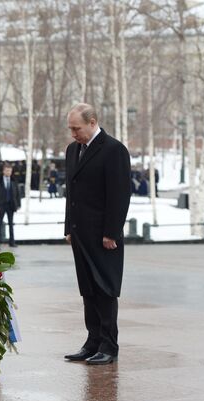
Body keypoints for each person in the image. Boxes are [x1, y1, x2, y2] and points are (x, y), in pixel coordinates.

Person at [63, 103, 131, 365]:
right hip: (80, 234)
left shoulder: (113, 150)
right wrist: (68, 227)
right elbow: (72, 194)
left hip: (104, 236)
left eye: (76, 128)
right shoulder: (73, 150)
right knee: (88, 290)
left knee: (105, 290)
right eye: (70, 129)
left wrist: (112, 232)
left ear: (92, 123)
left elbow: (119, 195)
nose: (73, 134)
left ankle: (108, 345)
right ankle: (92, 342)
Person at [0, 162, 21, 247]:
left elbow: (18, 194)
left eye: (10, 171)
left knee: (11, 224)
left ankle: (12, 242)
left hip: (11, 205)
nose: (8, 172)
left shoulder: (13, 181)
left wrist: (18, 204)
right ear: (3, 171)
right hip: (1, 205)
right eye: (7, 171)